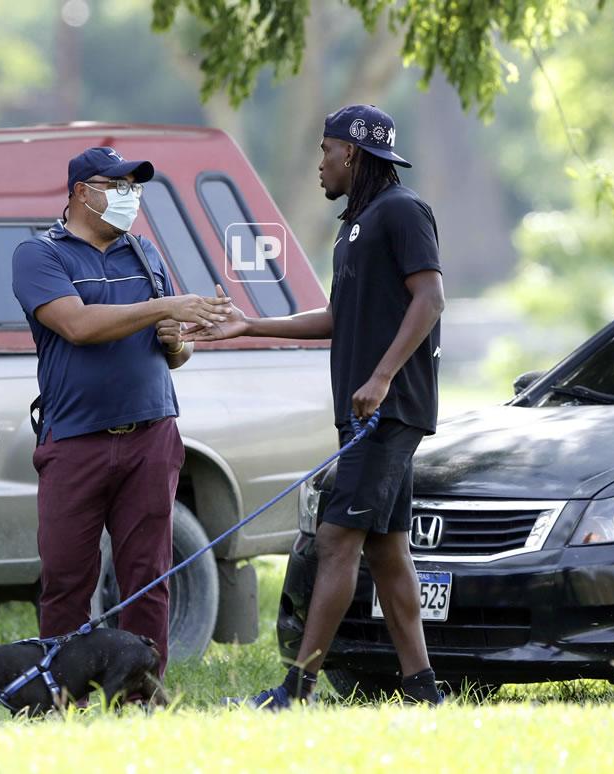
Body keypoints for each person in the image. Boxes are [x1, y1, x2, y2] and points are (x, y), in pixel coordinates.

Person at [188, 105, 447, 706]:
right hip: (365, 412)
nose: (320, 165)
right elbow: (339, 317)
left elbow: (430, 297)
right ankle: (425, 692)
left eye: (324, 150)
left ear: (351, 153)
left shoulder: (402, 212)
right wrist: (249, 327)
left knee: (335, 541)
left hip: (387, 409)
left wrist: (381, 377)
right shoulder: (354, 224)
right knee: (387, 551)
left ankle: (295, 691)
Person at [11, 146, 232, 673]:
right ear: (82, 192)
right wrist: (165, 308)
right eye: (118, 185)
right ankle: (60, 692)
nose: (129, 196)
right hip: (75, 440)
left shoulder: (145, 253)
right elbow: (78, 326)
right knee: (67, 578)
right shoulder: (40, 254)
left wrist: (178, 339)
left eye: (134, 186)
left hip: (151, 437)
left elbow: (175, 351)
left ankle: (140, 693)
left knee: (149, 577)